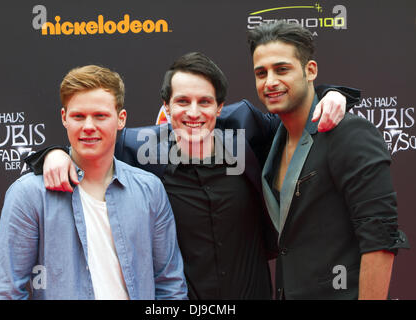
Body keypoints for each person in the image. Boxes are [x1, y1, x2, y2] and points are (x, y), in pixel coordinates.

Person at [25, 53, 359, 299]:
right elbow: (90, 142)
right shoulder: (137, 148)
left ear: (220, 106)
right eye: (183, 101)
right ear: (166, 108)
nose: (194, 112)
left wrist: (333, 94)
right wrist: (53, 153)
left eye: (204, 101)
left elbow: (299, 116)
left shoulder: (246, 126)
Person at [0, 65, 187, 300]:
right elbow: (8, 292)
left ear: (120, 119)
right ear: (64, 118)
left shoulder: (149, 190)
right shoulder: (28, 194)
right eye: (78, 116)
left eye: (100, 116)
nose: (88, 127)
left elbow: (170, 286)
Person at [247, 21, 409, 300]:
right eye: (261, 73)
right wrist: (336, 92)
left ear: (310, 70)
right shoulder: (274, 136)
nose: (270, 81)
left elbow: (380, 237)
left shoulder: (348, 132)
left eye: (282, 69)